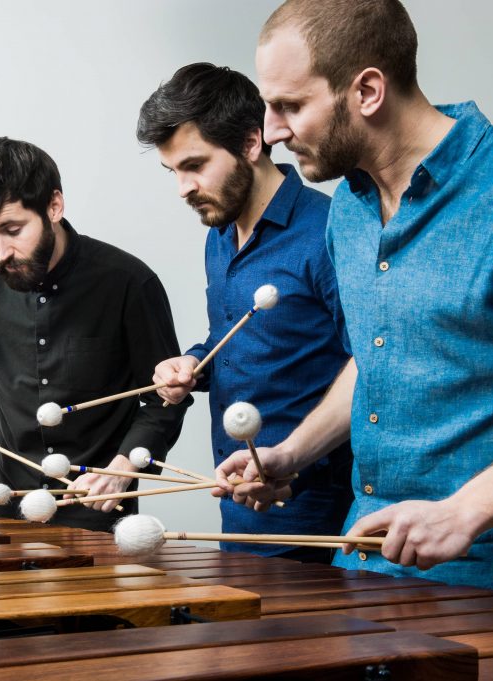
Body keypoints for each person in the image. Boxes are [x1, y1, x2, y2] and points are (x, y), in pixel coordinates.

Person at [216, 0, 493, 601]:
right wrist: (293, 453)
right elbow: (379, 358)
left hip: (492, 586)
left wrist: (464, 510)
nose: (271, 132)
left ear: (368, 90)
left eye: (290, 105)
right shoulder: (350, 206)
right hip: (365, 566)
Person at [0, 137, 190, 532]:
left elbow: (166, 399)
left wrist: (124, 467)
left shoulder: (128, 282)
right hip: (11, 501)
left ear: (54, 206)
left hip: (100, 507)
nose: (0, 251)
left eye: (12, 229)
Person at [136, 63, 353, 562]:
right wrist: (193, 363)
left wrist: (297, 462)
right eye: (173, 172)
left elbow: (369, 365)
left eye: (194, 165)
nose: (183, 188)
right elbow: (237, 339)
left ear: (251, 144)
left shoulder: (329, 232)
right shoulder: (218, 236)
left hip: (314, 507)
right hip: (235, 497)